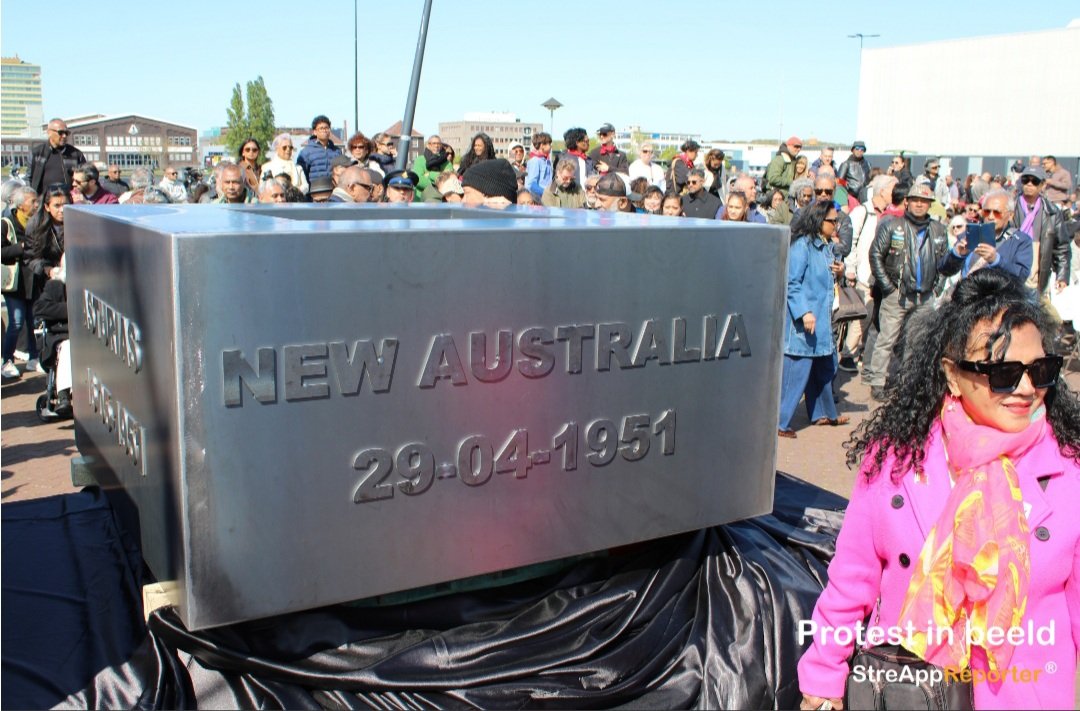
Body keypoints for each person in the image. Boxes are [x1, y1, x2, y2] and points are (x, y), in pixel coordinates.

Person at [798, 268, 1080, 710]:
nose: (1026, 389)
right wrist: (823, 672)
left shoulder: (1069, 473)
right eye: (1003, 373)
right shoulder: (894, 459)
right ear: (952, 374)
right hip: (907, 690)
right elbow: (852, 579)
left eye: (1041, 370)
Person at [866, 183, 959, 400]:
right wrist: (888, 287)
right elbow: (875, 255)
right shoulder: (892, 225)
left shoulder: (938, 230)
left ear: (929, 204)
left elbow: (944, 262)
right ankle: (877, 381)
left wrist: (937, 287)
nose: (919, 204)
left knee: (916, 341)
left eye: (924, 201)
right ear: (907, 201)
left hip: (925, 295)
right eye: (915, 200)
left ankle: (908, 381)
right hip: (897, 294)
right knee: (887, 338)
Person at [778, 199, 849, 438]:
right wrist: (803, 312)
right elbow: (791, 282)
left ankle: (822, 413)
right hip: (805, 321)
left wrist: (840, 273)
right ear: (819, 221)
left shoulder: (826, 246)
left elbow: (826, 281)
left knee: (823, 367)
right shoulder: (802, 246)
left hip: (820, 319)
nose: (835, 225)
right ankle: (780, 421)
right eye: (832, 221)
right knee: (797, 371)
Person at [2, 186, 42, 378]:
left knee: (33, 320)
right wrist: (21, 247)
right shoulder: (6, 223)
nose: (36, 205)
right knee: (16, 322)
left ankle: (34, 358)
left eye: (37, 201)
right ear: (20, 205)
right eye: (32, 201)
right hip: (15, 283)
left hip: (34, 280)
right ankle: (6, 360)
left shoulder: (38, 222)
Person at [1009, 167, 1069, 296]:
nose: (1029, 184)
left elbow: (1061, 247)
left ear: (1043, 185)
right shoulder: (1009, 207)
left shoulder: (1052, 212)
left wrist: (1062, 276)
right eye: (1025, 180)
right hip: (1011, 276)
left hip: (1038, 277)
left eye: (1034, 181)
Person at [28, 118, 86, 194]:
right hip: (43, 201)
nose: (64, 136)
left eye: (66, 133)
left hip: (69, 200)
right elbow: (28, 178)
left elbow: (85, 177)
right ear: (49, 132)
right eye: (61, 132)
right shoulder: (37, 153)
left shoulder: (76, 154)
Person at [297, 115, 341, 183]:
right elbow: (301, 176)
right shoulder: (306, 152)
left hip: (333, 191)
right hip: (314, 191)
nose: (324, 130)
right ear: (315, 132)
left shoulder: (336, 151)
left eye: (326, 128)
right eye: (321, 128)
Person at [413, 135, 452, 202]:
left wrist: (430, 174)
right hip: (421, 199)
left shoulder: (447, 163)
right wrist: (438, 184)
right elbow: (418, 180)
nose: (436, 146)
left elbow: (449, 180)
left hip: (441, 200)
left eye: (438, 144)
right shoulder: (419, 160)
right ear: (428, 145)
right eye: (433, 143)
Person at [524, 132, 553, 200]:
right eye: (549, 144)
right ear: (542, 145)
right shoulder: (535, 161)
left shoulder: (547, 161)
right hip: (537, 199)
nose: (550, 146)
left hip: (546, 198)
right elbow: (531, 185)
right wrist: (546, 193)